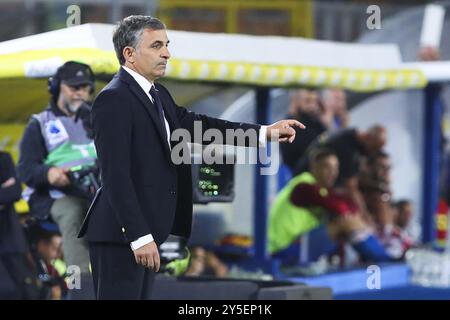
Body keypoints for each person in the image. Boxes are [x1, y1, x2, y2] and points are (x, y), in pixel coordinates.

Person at [77, 15, 304, 300]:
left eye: (167, 45)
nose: (167, 53)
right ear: (129, 54)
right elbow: (115, 176)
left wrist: (262, 133)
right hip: (121, 237)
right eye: (157, 45)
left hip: (144, 235)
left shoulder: (157, 94)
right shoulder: (113, 99)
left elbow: (200, 126)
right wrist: (138, 236)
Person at [17, 61, 97, 284]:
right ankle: (79, 285)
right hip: (53, 196)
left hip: (93, 189)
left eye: (85, 87)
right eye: (74, 87)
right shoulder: (39, 124)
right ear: (56, 87)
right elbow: (25, 170)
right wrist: (48, 173)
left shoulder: (96, 118)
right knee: (74, 214)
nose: (80, 93)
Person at [268, 148, 394, 265]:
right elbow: (341, 208)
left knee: (344, 220)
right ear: (314, 168)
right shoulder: (303, 186)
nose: (332, 173)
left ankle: (371, 258)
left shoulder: (322, 190)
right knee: (345, 222)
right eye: (326, 168)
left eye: (335, 168)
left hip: (295, 244)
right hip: (280, 250)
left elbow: (350, 205)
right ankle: (384, 259)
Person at [0, 151, 36, 299]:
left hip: (10, 240)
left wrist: (7, 192)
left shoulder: (3, 158)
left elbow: (14, 192)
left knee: (20, 291)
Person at [280, 89, 327, 171]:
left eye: (314, 101)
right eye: (307, 101)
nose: (312, 106)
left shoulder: (317, 124)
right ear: (296, 101)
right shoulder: (289, 127)